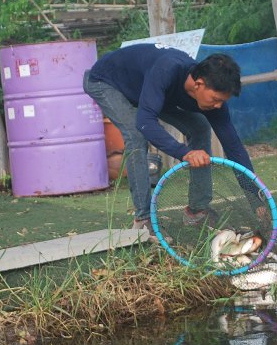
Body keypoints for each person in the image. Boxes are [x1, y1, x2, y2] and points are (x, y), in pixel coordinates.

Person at [83, 43, 255, 235]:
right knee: (136, 134)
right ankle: (143, 220)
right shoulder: (167, 70)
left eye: (222, 101)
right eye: (215, 99)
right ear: (199, 84)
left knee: (199, 126)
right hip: (105, 81)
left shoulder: (213, 102)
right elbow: (145, 122)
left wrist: (256, 198)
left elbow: (234, 147)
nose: (218, 106)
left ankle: (197, 212)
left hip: (144, 88)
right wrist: (185, 153)